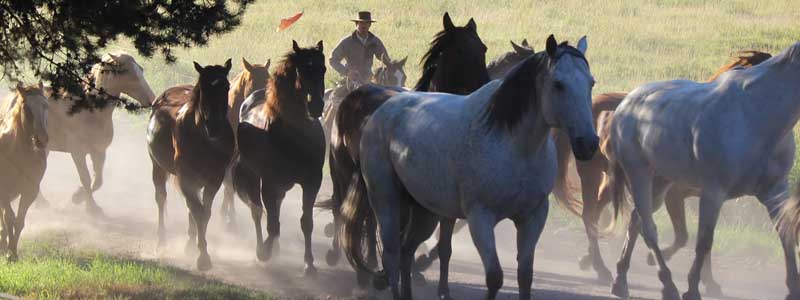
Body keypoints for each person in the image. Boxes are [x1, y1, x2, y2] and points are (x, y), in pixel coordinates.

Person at [329, 11, 392, 89]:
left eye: (366, 23)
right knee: (336, 98)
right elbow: (333, 60)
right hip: (350, 81)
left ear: (370, 25)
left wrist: (391, 67)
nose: (364, 26)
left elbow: (386, 60)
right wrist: (347, 72)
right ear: (356, 24)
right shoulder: (347, 42)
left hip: (369, 80)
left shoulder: (375, 41)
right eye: (361, 23)